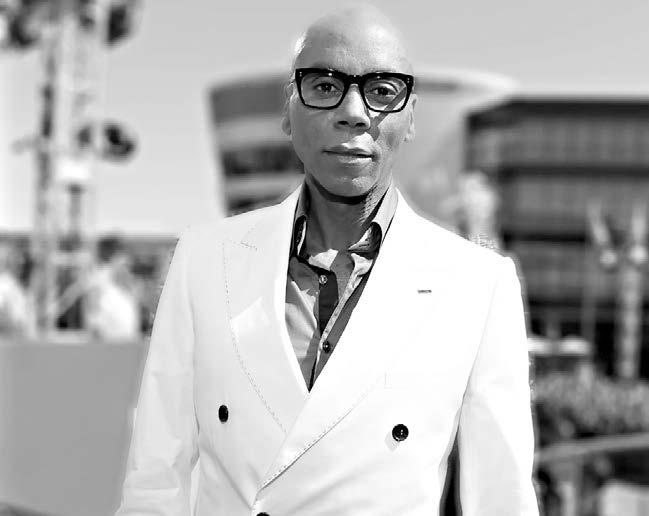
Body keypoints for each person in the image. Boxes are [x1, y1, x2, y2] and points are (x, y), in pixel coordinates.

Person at [116, 6, 539, 515]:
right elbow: (155, 480)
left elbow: (501, 498)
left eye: (383, 90)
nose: (354, 112)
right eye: (324, 86)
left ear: (410, 118)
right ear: (288, 111)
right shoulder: (204, 260)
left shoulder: (478, 285)